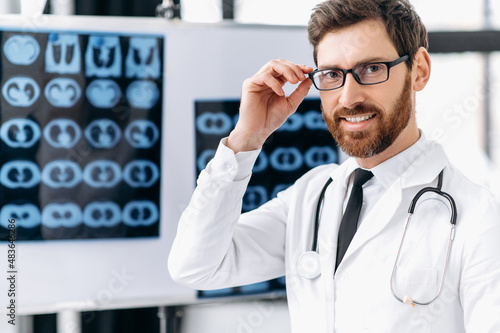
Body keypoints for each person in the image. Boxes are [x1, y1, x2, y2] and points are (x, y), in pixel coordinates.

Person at [168, 0, 500, 331]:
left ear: (419, 70)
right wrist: (244, 140)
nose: (348, 97)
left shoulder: (480, 218)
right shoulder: (312, 196)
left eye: (371, 69)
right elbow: (195, 266)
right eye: (331, 75)